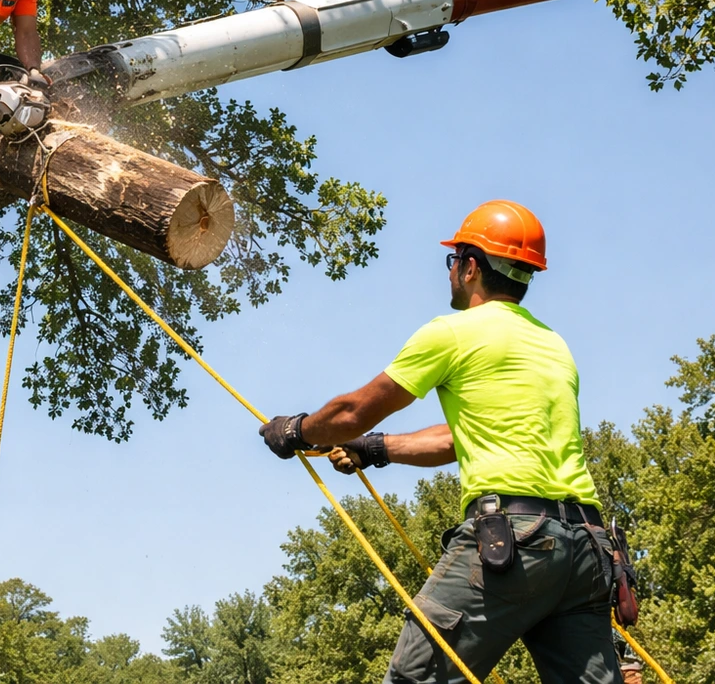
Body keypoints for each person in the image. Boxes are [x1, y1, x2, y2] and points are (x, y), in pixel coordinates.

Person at [258, 200, 622, 684]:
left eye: (453, 260)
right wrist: (376, 448)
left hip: (517, 540)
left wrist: (296, 431)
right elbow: (462, 439)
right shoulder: (552, 345)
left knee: (416, 678)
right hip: (587, 552)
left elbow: (352, 412)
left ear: (471, 267)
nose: (451, 270)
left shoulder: (454, 332)